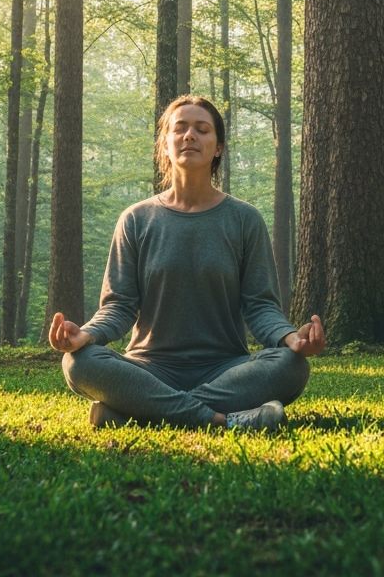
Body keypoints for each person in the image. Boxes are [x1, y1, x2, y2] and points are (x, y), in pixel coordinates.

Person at [49, 94, 325, 430]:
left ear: (218, 147)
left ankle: (139, 411)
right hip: (149, 368)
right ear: (165, 145)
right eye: (179, 129)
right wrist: (85, 335)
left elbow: (260, 307)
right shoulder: (136, 219)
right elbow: (118, 307)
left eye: (202, 129)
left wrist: (290, 338)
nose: (190, 136)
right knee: (78, 363)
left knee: (291, 365)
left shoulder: (244, 220)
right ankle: (222, 420)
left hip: (226, 368)